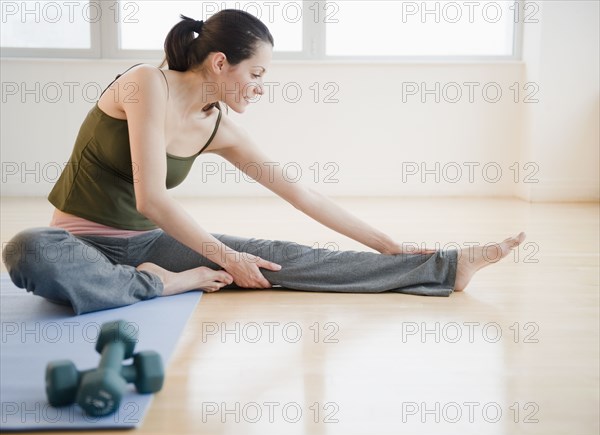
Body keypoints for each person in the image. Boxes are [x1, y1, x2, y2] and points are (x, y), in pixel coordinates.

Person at [2, 10, 525, 315]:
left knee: (277, 256)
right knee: (26, 250)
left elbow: (303, 194)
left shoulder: (218, 127)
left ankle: (444, 269)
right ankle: (160, 284)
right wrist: (223, 260)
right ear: (220, 62)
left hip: (149, 245)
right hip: (75, 243)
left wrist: (390, 244)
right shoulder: (144, 84)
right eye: (258, 73)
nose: (261, 87)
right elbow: (151, 198)